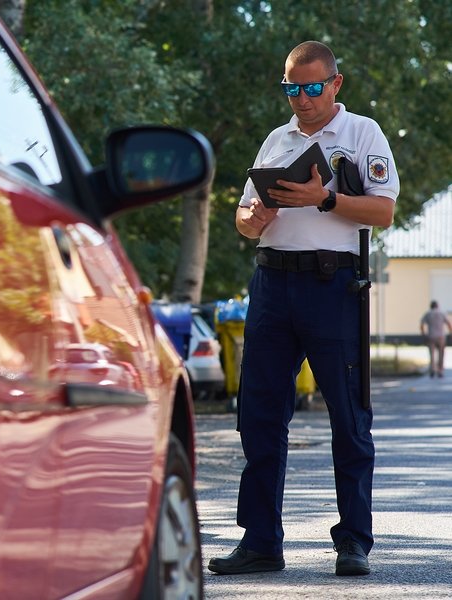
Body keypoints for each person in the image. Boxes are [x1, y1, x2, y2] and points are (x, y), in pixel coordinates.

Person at [208, 41, 400, 578]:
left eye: (312, 88)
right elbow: (244, 220)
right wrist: (257, 214)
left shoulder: (363, 134)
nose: (302, 99)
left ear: (336, 84)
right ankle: (261, 541)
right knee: (260, 416)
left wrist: (324, 200)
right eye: (292, 89)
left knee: (348, 416)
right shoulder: (276, 140)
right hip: (271, 283)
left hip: (332, 284)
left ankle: (353, 541)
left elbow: (383, 212)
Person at [420, 300, 452, 377]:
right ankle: (440, 370)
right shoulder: (442, 313)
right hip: (441, 336)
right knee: (441, 354)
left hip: (431, 336)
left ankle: (432, 369)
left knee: (432, 354)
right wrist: (451, 333)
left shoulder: (428, 314)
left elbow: (422, 325)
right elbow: (449, 324)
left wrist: (423, 334)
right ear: (437, 306)